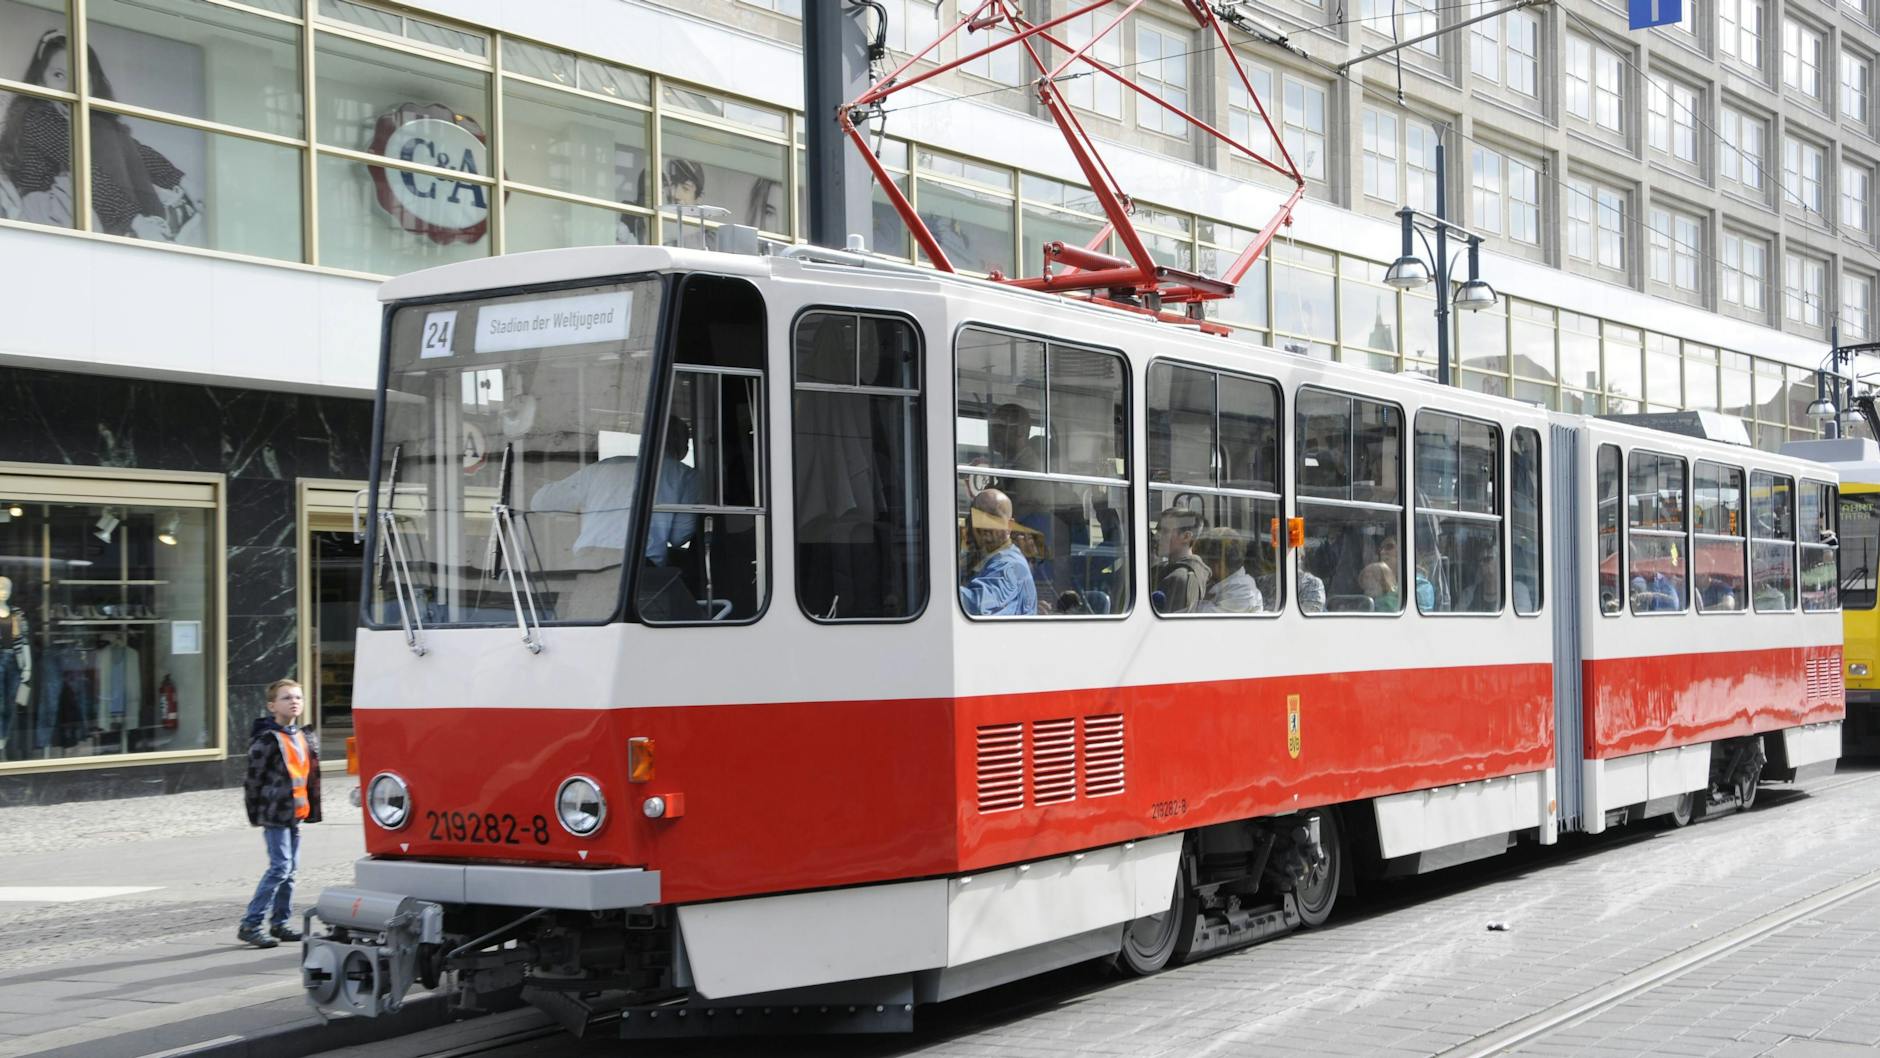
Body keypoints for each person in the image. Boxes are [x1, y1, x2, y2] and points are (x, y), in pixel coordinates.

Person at [0, 32, 195, 238]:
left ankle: (155, 217)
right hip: (44, 212)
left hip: (74, 208)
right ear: (40, 81)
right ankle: (147, 222)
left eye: (81, 79)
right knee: (101, 141)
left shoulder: (89, 125)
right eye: (58, 75)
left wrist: (182, 180)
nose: (70, 88)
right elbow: (86, 171)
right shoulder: (39, 117)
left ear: (92, 85)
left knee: (111, 135)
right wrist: (136, 221)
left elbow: (134, 149)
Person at [530, 417, 701, 618]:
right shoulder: (686, 476)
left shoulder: (607, 466)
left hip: (587, 568)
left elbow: (540, 502)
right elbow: (679, 536)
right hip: (640, 572)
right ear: (683, 446)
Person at [238, 679, 321, 949]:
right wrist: (255, 814)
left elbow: (309, 777)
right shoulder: (267, 739)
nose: (294, 701)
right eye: (286, 698)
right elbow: (253, 780)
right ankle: (251, 924)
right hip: (274, 813)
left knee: (291, 871)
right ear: (272, 706)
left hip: (294, 813)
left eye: (298, 697)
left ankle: (280, 923)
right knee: (280, 868)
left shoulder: (303, 736)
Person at [959, 488, 1036, 616]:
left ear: (1009, 525)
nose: (985, 526)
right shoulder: (983, 558)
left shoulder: (1009, 565)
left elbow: (976, 605)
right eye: (979, 518)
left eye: (993, 518)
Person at [1152, 508, 1210, 613]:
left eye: (1164, 531)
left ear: (1186, 537)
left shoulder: (1179, 578)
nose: (1156, 536)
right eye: (1157, 530)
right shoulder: (1166, 569)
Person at [1195, 528, 1263, 613]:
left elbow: (1205, 618)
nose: (1203, 566)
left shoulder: (1242, 590)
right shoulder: (1220, 582)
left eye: (1205, 560)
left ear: (1218, 563)